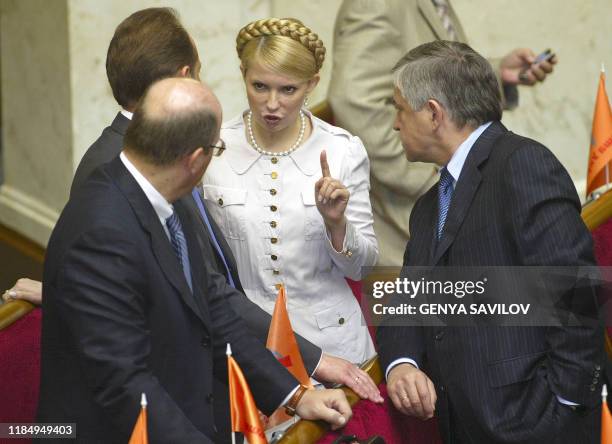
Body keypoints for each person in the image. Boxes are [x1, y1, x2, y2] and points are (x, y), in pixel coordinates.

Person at [5, 7, 381, 439]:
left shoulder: (170, 192)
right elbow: (125, 384)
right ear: (195, 158)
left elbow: (214, 305)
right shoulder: (102, 226)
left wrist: (292, 394)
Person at [376, 40, 604, 443]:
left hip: (537, 425)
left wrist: (565, 405)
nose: (395, 124)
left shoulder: (522, 164)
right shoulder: (430, 205)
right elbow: (409, 302)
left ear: (432, 113)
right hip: (463, 426)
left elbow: (575, 291)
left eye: (398, 108)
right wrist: (401, 364)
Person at [202, 17, 378, 366]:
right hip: (248, 345)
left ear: (311, 84)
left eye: (288, 90)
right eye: (259, 86)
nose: (271, 104)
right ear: (242, 74)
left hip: (333, 343)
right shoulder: (212, 147)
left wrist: (337, 224)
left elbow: (363, 268)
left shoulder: (343, 150)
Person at [328, 0, 558, 266]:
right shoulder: (377, 4)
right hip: (403, 233)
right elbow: (354, 101)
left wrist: (497, 74)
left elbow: (436, 77)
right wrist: (435, 181)